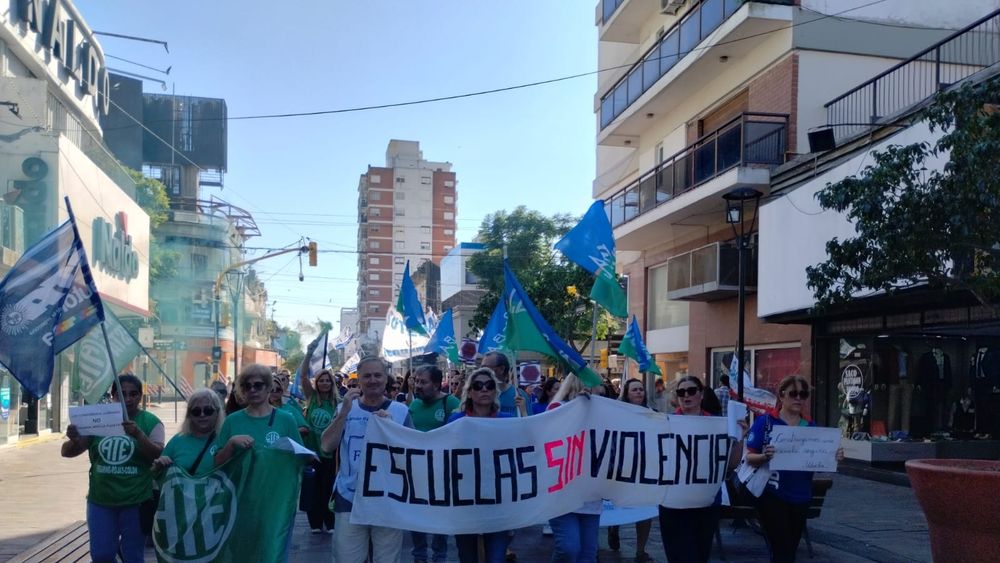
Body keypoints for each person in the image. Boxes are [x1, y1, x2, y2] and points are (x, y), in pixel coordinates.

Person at [61, 374, 164, 563]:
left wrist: (139, 435)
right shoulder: (100, 418)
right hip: (101, 501)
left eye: (134, 394)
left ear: (141, 397)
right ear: (113, 396)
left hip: (136, 501)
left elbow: (158, 453)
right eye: (122, 394)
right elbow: (67, 452)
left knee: (133, 556)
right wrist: (74, 438)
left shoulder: (151, 422)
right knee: (101, 555)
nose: (128, 398)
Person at [322, 355, 413, 563]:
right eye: (367, 376)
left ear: (386, 378)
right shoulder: (345, 408)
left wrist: (392, 430)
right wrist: (343, 413)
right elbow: (327, 446)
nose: (373, 380)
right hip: (350, 499)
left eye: (378, 375)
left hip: (388, 501)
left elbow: (411, 456)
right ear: (359, 379)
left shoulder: (401, 411)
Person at [746, 375, 844, 563]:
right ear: (781, 396)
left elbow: (821, 458)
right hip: (772, 495)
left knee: (790, 548)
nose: (799, 398)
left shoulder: (810, 426)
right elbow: (749, 457)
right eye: (793, 394)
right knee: (782, 549)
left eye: (803, 394)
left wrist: (835, 456)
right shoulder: (766, 422)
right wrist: (764, 456)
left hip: (801, 497)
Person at [214, 363, 305, 561]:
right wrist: (231, 444)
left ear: (269, 387)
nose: (253, 390)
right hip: (241, 502)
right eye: (247, 386)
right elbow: (217, 463)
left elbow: (299, 458)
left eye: (258, 385)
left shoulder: (286, 419)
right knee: (242, 554)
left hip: (276, 503)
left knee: (272, 553)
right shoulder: (232, 421)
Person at [658, 375, 738, 563]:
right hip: (672, 503)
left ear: (701, 394)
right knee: (677, 556)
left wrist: (739, 436)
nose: (686, 395)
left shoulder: (718, 425)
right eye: (681, 392)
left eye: (691, 391)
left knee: (699, 556)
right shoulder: (666, 423)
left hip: (705, 503)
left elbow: (731, 464)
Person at [447, 367, 515, 562]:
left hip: (499, 503)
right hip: (465, 503)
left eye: (489, 385)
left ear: (495, 391)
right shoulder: (456, 421)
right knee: (467, 558)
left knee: (496, 559)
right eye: (478, 386)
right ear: (469, 392)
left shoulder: (508, 422)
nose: (484, 389)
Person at [545, 374, 601, 563]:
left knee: (588, 554)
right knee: (569, 548)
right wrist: (577, 408)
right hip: (562, 494)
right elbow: (549, 436)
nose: (599, 389)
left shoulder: (601, 411)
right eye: (595, 384)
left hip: (590, 495)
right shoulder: (556, 409)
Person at [408, 365, 461, 562]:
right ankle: (419, 555)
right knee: (415, 515)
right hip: (416, 472)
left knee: (440, 515)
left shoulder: (451, 402)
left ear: (437, 384)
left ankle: (439, 556)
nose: (418, 386)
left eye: (423, 382)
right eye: (416, 381)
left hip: (442, 472)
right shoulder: (413, 406)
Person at [607, 379, 655, 562]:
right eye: (635, 390)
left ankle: (640, 550)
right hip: (621, 469)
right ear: (627, 393)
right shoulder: (618, 414)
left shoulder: (651, 414)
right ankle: (614, 528)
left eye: (641, 389)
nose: (639, 393)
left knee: (645, 509)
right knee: (617, 506)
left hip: (644, 469)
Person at [298, 362, 341, 534]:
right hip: (312, 453)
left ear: (332, 383)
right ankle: (315, 523)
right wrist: (309, 354)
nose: (324, 383)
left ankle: (330, 522)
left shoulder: (338, 403)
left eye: (327, 381)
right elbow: (302, 377)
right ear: (317, 383)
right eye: (321, 380)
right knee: (312, 489)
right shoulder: (312, 398)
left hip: (330, 454)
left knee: (328, 488)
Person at [154, 388, 225, 476]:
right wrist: (160, 465)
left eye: (208, 410)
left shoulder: (225, 439)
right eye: (196, 411)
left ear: (217, 412)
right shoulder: (177, 441)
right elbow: (156, 474)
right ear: (189, 415)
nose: (202, 415)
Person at [482, 351, 529, 417]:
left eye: (485, 368)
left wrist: (524, 412)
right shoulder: (480, 395)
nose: (481, 371)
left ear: (501, 369)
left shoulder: (519, 395)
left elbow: (529, 425)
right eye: (481, 368)